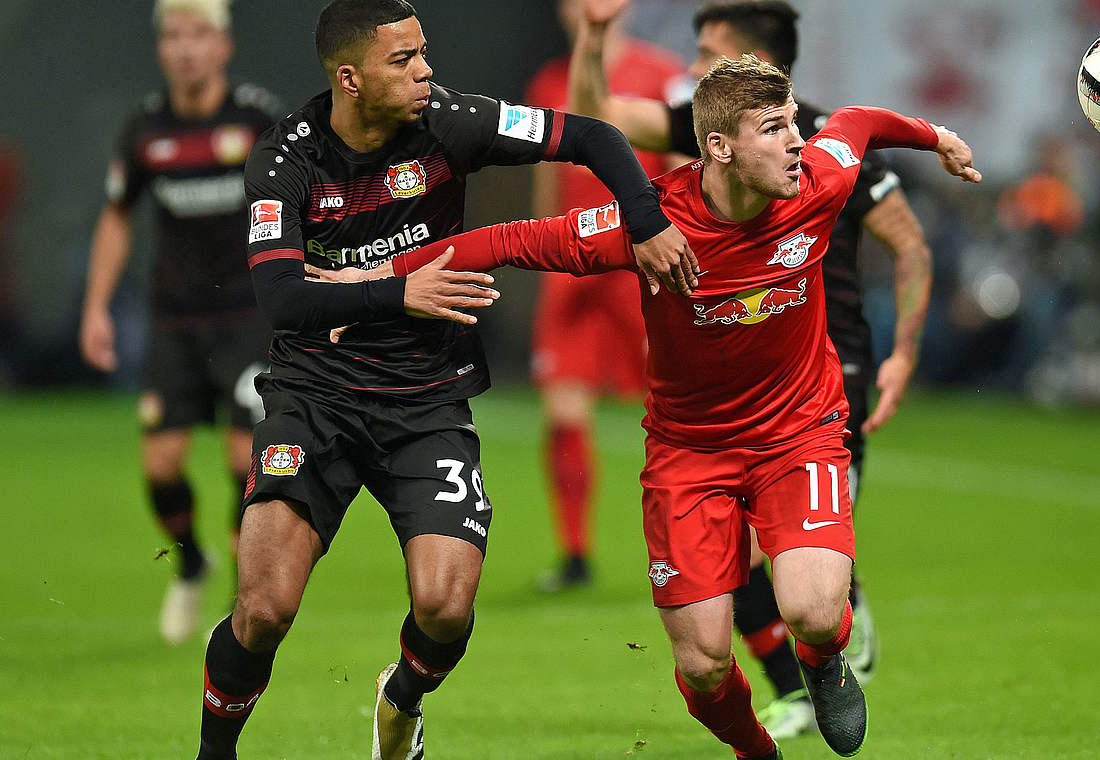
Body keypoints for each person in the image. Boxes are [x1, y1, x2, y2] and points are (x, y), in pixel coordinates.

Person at [319, 54, 980, 759]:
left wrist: (933, 135)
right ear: (719, 148)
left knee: (815, 612)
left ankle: (822, 663)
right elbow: (508, 240)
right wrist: (379, 275)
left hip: (800, 431)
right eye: (774, 129)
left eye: (793, 124)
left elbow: (857, 123)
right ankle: (759, 752)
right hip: (689, 454)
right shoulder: (652, 225)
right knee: (703, 664)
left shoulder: (817, 180)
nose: (797, 141)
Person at [193, 1, 695, 758]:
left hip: (426, 401)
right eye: (404, 61)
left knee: (445, 608)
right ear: (350, 78)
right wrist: (403, 291)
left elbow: (591, 134)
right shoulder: (285, 156)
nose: (426, 70)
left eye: (424, 53)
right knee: (262, 610)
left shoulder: (453, 121)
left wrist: (647, 217)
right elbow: (281, 298)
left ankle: (401, 700)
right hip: (314, 399)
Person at [568, 0, 936, 736]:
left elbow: (911, 246)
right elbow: (596, 118)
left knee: (790, 562)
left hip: (824, 372)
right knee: (721, 568)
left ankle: (828, 647)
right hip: (722, 380)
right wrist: (596, 37)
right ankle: (795, 680)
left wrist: (902, 355)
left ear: (760, 62)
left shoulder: (822, 144)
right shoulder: (705, 128)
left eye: (707, 51)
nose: (692, 67)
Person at [78, 0, 282, 646]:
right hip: (174, 322)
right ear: (161, 49)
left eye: (199, 34)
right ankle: (191, 562)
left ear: (223, 45)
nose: (186, 47)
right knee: (162, 464)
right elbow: (117, 216)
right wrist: (95, 307)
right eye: (173, 36)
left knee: (244, 457)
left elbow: (304, 198)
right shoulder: (144, 128)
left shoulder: (256, 119)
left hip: (249, 317)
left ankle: (238, 605)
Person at [523, 0, 687, 591]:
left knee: (675, 410)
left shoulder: (660, 73)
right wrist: (539, 251)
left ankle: (689, 545)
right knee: (563, 412)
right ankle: (575, 555)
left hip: (636, 265)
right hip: (571, 266)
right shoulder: (547, 81)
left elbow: (676, 162)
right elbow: (545, 170)